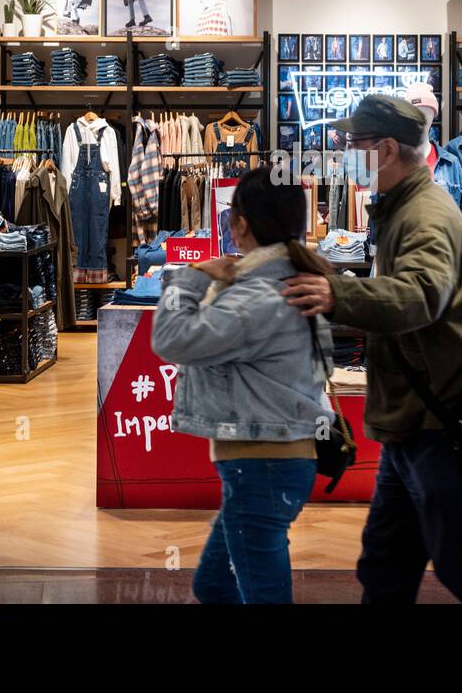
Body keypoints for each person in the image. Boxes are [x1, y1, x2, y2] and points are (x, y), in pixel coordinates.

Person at [282, 94, 462, 604]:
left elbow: (421, 294)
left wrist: (337, 293)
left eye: (356, 143)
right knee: (385, 564)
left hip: (440, 425)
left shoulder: (423, 214)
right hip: (413, 424)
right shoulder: (401, 207)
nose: (346, 150)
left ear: (388, 149)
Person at [151, 167, 334, 604]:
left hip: (262, 464)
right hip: (268, 462)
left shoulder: (257, 297)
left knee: (260, 594)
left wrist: (193, 275)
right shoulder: (291, 280)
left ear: (240, 225)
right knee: (214, 584)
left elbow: (171, 339)